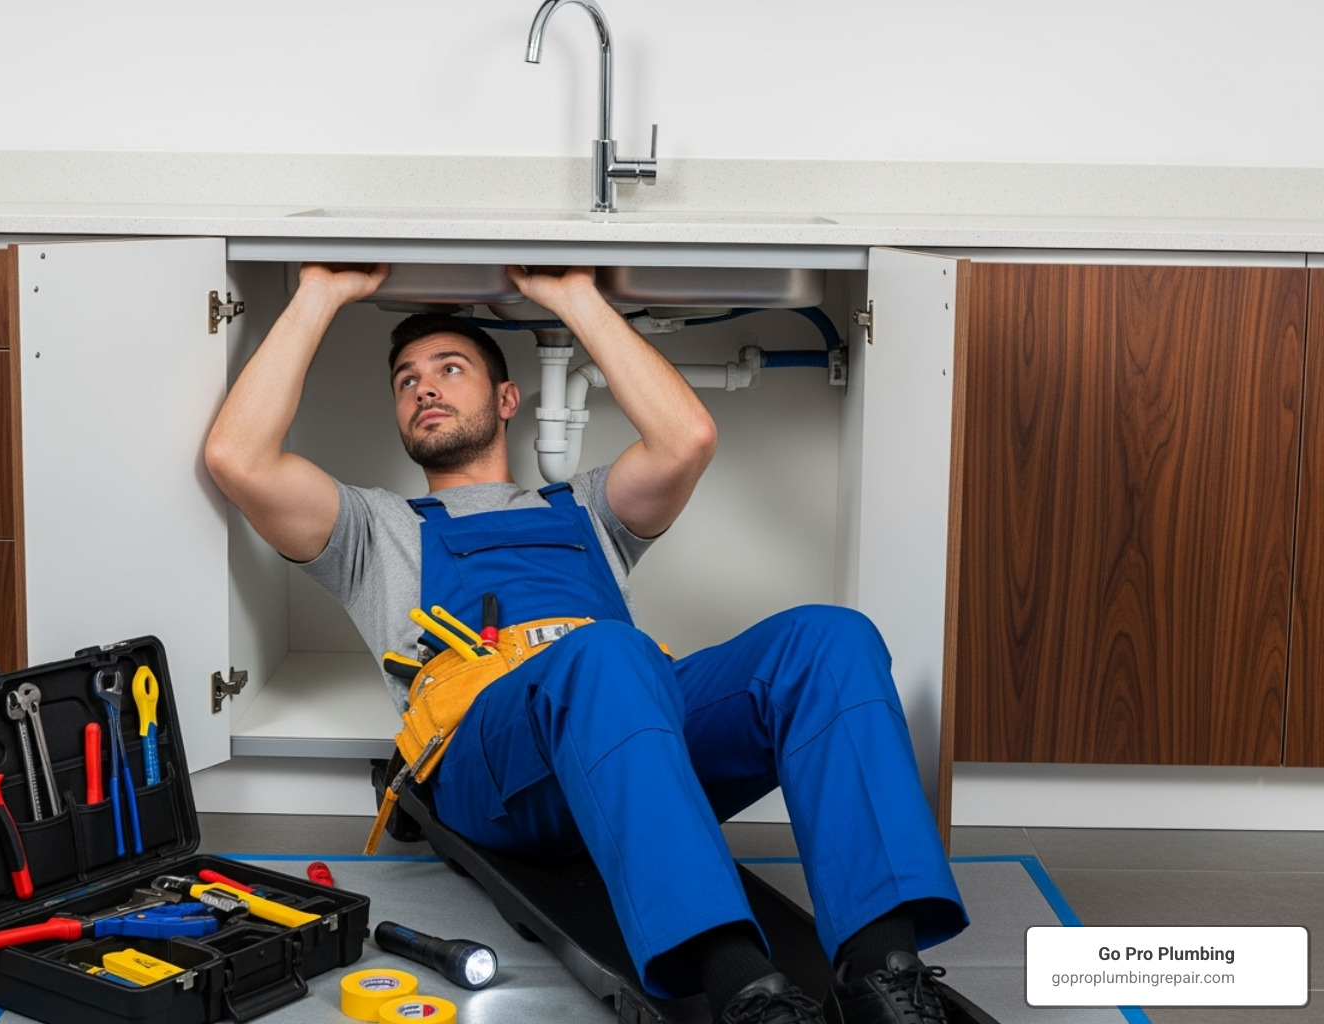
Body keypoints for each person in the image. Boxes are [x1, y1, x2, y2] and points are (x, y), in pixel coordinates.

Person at [204, 263, 971, 1024]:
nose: (425, 387)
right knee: (607, 653)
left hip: (632, 729)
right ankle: (740, 987)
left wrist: (574, 297)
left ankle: (882, 975)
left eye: (449, 368)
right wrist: (320, 292)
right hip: (495, 771)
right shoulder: (373, 531)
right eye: (406, 380)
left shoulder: (588, 510)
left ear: (508, 400)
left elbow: (687, 436)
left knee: (829, 639)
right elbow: (238, 458)